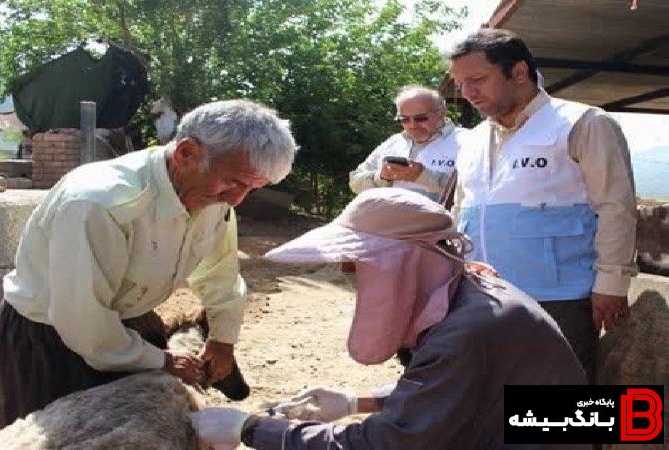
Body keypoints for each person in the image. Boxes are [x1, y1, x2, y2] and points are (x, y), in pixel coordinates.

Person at [190, 188, 588, 450]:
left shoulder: (468, 332)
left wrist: (250, 429)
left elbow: (387, 444)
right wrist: (354, 401)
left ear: (401, 264)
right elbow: (453, 393)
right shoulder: (467, 294)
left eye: (358, 266)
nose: (350, 272)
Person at [0, 99, 298, 423]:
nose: (236, 199)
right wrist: (163, 361)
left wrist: (222, 340)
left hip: (130, 323)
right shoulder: (98, 203)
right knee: (69, 438)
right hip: (54, 339)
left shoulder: (213, 200)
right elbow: (83, 321)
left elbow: (219, 274)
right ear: (186, 153)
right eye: (233, 182)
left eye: (252, 189)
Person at [448, 29, 637, 381]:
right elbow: (462, 212)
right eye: (461, 84)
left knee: (559, 410)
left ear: (518, 72)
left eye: (477, 80)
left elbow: (616, 206)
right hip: (482, 295)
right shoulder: (470, 141)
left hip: (559, 299)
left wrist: (612, 284)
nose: (468, 93)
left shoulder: (583, 123)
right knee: (493, 395)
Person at [348, 85, 466, 201]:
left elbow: (475, 189)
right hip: (388, 218)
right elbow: (355, 182)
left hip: (442, 219)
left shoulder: (467, 141)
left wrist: (423, 176)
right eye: (404, 119)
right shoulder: (393, 142)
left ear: (441, 112)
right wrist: (382, 177)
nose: (412, 125)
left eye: (420, 118)